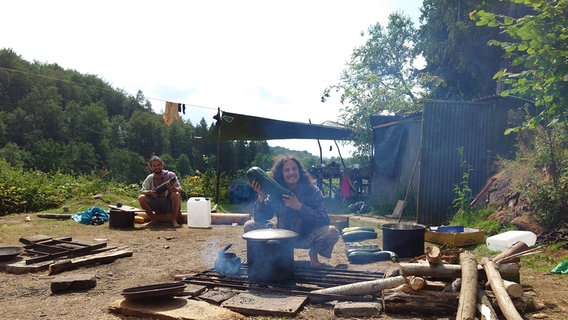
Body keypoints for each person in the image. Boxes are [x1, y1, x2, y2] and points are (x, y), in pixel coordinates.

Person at [244, 156, 339, 267]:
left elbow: (323, 219)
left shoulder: (313, 191)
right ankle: (265, 260)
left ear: (299, 171)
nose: (291, 172)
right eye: (287, 170)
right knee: (249, 226)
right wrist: (261, 195)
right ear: (282, 174)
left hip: (306, 237)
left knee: (332, 232)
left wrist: (299, 206)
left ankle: (313, 255)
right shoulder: (276, 191)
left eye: (294, 169)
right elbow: (261, 217)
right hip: (281, 235)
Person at [138, 155, 182, 228]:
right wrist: (150, 192)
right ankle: (153, 220)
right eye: (154, 166)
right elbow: (142, 191)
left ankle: (174, 220)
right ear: (151, 167)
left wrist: (173, 188)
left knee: (176, 194)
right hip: (155, 202)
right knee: (141, 198)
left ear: (162, 165)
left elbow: (179, 190)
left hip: (168, 203)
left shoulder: (171, 175)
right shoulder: (150, 178)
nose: (157, 167)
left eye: (158, 165)